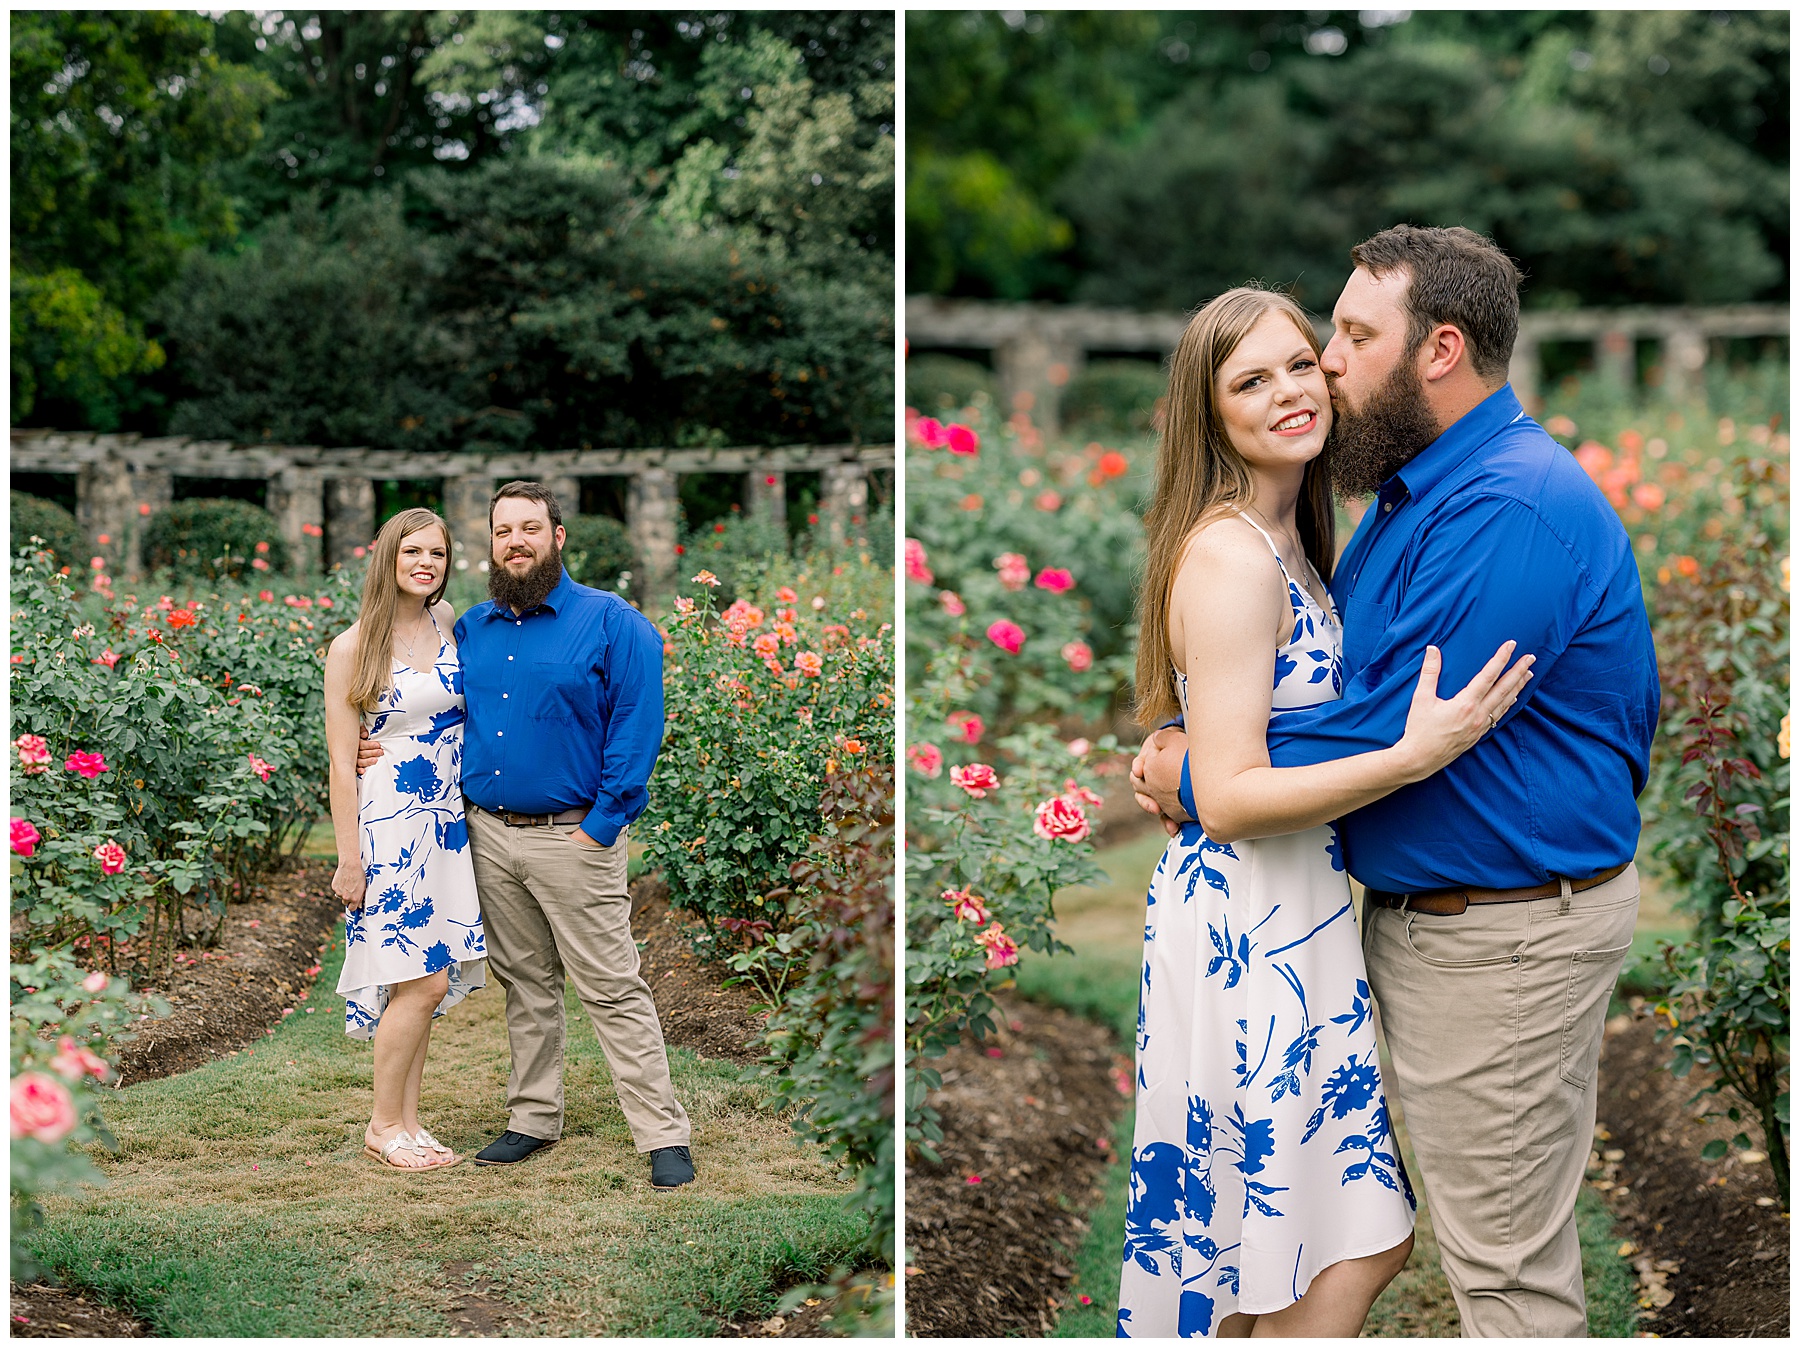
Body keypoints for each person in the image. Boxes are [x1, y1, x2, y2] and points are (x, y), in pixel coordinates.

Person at [1134, 226, 1659, 1337]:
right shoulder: (1407, 496)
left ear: (1440, 349)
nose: (1324, 361)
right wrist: (1208, 753)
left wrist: (1193, 770)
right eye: (1272, 363)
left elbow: (1373, 721)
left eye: (1349, 335)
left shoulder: (1501, 507)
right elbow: (1347, 704)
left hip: (1500, 937)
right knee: (1289, 1236)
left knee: (1480, 1265)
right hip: (1326, 924)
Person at [1117, 284, 1533, 1338]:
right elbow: (1240, 796)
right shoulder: (1226, 557)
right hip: (1246, 929)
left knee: (1307, 1235)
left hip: (1297, 913)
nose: (1292, 390)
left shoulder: (1293, 538)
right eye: (1250, 380)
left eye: (1300, 362)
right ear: (1211, 415)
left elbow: (1226, 745)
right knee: (1341, 1234)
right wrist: (1414, 755)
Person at [358, 481, 694, 1189]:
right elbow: (421, 703)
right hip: (486, 836)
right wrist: (371, 745)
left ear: (558, 537)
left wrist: (603, 826)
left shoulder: (613, 623)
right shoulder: (472, 627)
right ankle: (534, 1118)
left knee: (610, 986)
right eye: (503, 530)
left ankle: (662, 1135)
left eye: (530, 528)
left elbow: (638, 729)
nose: (516, 541)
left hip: (574, 837)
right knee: (528, 986)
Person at [325, 507, 487, 1170]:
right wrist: (348, 861)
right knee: (415, 983)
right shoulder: (350, 647)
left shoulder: (447, 624)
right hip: (389, 823)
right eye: (412, 551)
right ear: (388, 557)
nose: (425, 564)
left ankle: (411, 1125)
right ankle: (382, 1124)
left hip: (446, 822)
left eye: (437, 555)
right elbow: (340, 762)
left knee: (425, 980)